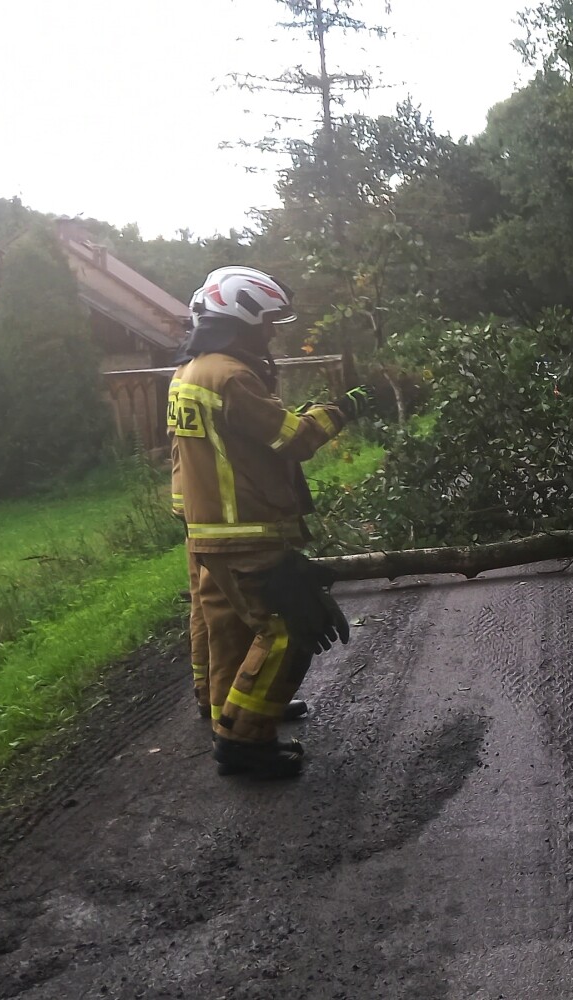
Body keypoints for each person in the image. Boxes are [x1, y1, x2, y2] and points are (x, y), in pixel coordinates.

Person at [172, 265, 370, 778]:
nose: (272, 333)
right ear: (242, 319)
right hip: (246, 530)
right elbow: (294, 439)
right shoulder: (232, 377)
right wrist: (338, 411)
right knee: (287, 628)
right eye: (267, 322)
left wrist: (189, 517)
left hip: (209, 530)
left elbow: (193, 453)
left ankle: (232, 712)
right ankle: (243, 742)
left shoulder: (190, 373)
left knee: (229, 628)